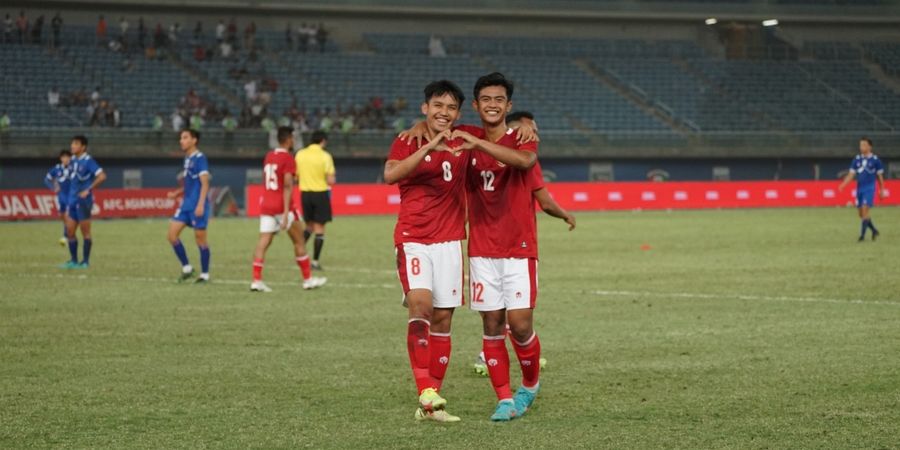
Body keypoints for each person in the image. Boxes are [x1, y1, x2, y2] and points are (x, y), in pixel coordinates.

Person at [384, 80, 473, 423]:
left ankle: (430, 402)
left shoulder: (465, 138)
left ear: (458, 113)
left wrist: (524, 124)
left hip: (450, 241)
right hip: (414, 237)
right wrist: (429, 145)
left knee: (444, 318)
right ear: (425, 108)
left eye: (451, 107)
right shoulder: (409, 140)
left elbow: (495, 131)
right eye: (438, 105)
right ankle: (425, 389)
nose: (443, 112)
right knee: (421, 305)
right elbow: (391, 174)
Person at [250, 127, 327, 292]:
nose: (294, 140)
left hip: (266, 205)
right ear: (288, 139)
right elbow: (286, 186)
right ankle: (308, 280)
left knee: (263, 241)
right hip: (282, 206)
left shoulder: (269, 156)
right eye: (292, 137)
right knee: (299, 241)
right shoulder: (288, 158)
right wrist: (286, 212)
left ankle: (256, 280)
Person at [166, 129, 212, 283]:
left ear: (194, 140)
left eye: (185, 138)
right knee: (172, 235)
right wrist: (177, 193)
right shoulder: (187, 159)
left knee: (200, 241)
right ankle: (187, 268)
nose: (181, 141)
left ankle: (205, 274)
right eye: (181, 138)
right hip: (186, 205)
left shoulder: (200, 158)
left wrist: (200, 205)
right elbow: (190, 184)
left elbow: (205, 183)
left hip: (198, 205)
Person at [60, 135, 106, 269]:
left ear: (83, 147)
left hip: (83, 200)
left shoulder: (88, 161)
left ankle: (85, 262)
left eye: (75, 144)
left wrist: (89, 189)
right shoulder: (73, 160)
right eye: (72, 143)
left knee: (85, 232)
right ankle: (74, 261)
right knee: (69, 231)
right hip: (72, 200)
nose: (72, 146)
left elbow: (102, 176)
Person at [295, 130, 335, 271]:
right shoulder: (325, 156)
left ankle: (299, 255)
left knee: (309, 227)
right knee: (319, 229)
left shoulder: (300, 154)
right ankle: (315, 262)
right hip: (320, 193)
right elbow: (331, 180)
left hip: (305, 194)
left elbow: (296, 176)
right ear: (323, 141)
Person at [838, 137, 886, 242]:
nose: (861, 147)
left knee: (865, 210)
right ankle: (874, 230)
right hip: (860, 189)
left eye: (864, 145)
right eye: (860, 145)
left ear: (870, 146)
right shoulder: (857, 159)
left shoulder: (875, 160)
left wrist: (882, 190)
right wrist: (843, 184)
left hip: (870, 188)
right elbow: (851, 174)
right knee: (861, 214)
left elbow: (880, 176)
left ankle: (862, 236)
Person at [44, 149, 72, 245]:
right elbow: (47, 179)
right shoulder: (56, 169)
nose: (65, 159)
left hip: (71, 195)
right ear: (61, 158)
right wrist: (53, 187)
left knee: (68, 216)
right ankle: (69, 231)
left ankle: (66, 236)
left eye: (67, 157)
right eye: (63, 157)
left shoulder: (73, 168)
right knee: (62, 215)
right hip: (61, 196)